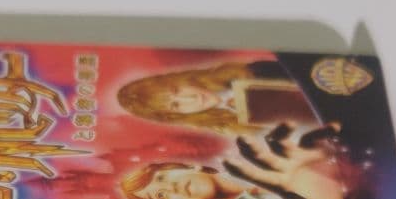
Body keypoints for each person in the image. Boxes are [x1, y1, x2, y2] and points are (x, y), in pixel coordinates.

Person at [118, 124, 346, 199]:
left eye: (162, 177)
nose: (171, 186)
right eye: (161, 195)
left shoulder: (253, 144)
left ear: (191, 166)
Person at [116, 60, 317, 135]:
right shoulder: (235, 129)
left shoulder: (251, 72)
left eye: (177, 91)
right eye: (176, 105)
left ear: (181, 79)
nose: (191, 99)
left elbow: (314, 75)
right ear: (176, 115)